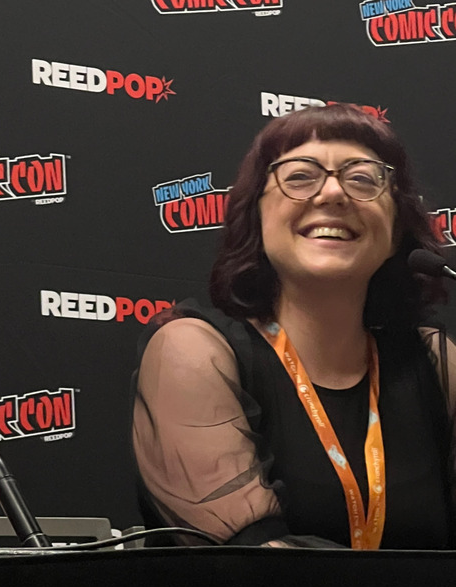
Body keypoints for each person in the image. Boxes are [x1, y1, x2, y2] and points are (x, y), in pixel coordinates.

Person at [132, 103, 456, 549]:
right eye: (300, 176)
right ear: (257, 217)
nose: (332, 195)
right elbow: (259, 568)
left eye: (362, 179)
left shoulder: (435, 362)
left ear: (396, 230)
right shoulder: (191, 351)